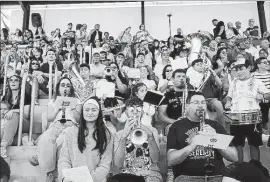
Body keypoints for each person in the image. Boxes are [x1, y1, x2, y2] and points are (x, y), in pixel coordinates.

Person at [167, 91, 238, 182]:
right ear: (188, 106)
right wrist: (193, 144)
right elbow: (171, 160)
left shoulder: (215, 125)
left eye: (203, 102)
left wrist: (215, 139)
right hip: (187, 178)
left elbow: (234, 157)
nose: (200, 105)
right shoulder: (176, 126)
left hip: (216, 177)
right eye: (196, 102)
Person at [29, 77, 81, 182]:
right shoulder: (52, 101)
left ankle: (51, 172)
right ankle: (48, 168)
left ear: (71, 89)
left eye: (68, 85)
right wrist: (58, 107)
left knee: (61, 142)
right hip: (56, 125)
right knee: (46, 140)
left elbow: (79, 119)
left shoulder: (77, 101)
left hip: (71, 126)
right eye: (63, 85)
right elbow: (49, 118)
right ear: (58, 88)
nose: (65, 87)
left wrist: (72, 107)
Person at [225, 58, 270, 163]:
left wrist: (263, 96)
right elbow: (229, 96)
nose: (239, 72)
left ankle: (255, 168)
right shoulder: (233, 82)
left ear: (249, 68)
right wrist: (228, 101)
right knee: (237, 145)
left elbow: (268, 95)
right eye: (237, 69)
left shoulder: (257, 81)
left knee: (254, 144)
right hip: (236, 117)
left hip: (253, 117)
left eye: (241, 69)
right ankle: (239, 168)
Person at [58, 97, 113, 182]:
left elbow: (105, 165)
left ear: (99, 113)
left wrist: (89, 179)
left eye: (93, 110)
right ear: (82, 112)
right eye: (87, 110)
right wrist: (66, 177)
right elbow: (64, 159)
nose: (90, 113)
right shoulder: (71, 132)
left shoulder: (106, 134)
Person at [113, 97, 163, 182]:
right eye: (131, 110)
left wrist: (150, 136)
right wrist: (124, 136)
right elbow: (118, 163)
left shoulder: (152, 131)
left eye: (139, 110)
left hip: (150, 173)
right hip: (127, 174)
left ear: (143, 112)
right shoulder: (119, 135)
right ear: (126, 112)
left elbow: (156, 159)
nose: (135, 113)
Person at [1, 74, 31, 158]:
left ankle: (3, 147)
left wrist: (14, 111)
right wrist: (5, 112)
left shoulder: (25, 95)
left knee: (13, 115)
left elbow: (27, 112)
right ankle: (22, 138)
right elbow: (2, 111)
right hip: (9, 123)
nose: (13, 82)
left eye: (16, 80)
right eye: (11, 80)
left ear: (20, 83)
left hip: (23, 122)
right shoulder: (5, 96)